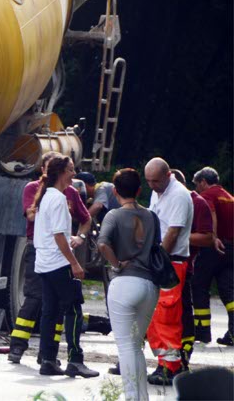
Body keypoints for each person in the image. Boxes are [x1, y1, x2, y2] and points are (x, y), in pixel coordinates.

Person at [9, 152, 99, 364]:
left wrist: (80, 237)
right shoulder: (38, 191)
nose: (73, 174)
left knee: (55, 306)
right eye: (69, 170)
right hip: (42, 250)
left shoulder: (67, 193)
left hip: (60, 252)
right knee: (35, 297)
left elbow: (85, 219)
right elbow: (34, 218)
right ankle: (18, 346)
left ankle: (47, 354)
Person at [33, 155, 99, 378]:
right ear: (61, 172)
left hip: (43, 263)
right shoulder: (59, 199)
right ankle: (75, 360)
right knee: (73, 310)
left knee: (49, 313)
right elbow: (60, 236)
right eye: (71, 170)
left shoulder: (45, 196)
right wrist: (75, 263)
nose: (74, 174)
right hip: (58, 263)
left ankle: (48, 360)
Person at [98, 168, 160, 400]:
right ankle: (141, 397)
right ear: (139, 190)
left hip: (124, 283)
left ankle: (132, 398)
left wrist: (116, 264)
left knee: (125, 348)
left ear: (115, 191)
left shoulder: (113, 215)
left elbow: (103, 244)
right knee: (136, 347)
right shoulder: (151, 216)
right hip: (149, 285)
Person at [144, 157, 193, 385]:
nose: (151, 186)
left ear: (167, 176)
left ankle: (171, 367)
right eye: (148, 181)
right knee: (157, 315)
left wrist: (157, 260)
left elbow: (172, 233)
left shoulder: (179, 195)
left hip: (170, 261)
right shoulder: (159, 190)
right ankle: (164, 363)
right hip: (163, 259)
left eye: (155, 181)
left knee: (168, 315)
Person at [172, 169, 214, 369]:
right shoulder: (163, 200)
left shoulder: (198, 203)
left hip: (185, 265)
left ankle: (184, 352)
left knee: (184, 310)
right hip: (164, 266)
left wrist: (175, 236)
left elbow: (207, 237)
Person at [192, 166, 234, 346]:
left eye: (197, 184)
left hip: (214, 248)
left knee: (199, 286)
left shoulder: (208, 196)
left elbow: (211, 214)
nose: (197, 189)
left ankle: (202, 332)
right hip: (231, 249)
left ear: (203, 182)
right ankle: (233, 332)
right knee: (228, 290)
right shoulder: (229, 197)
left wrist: (213, 238)